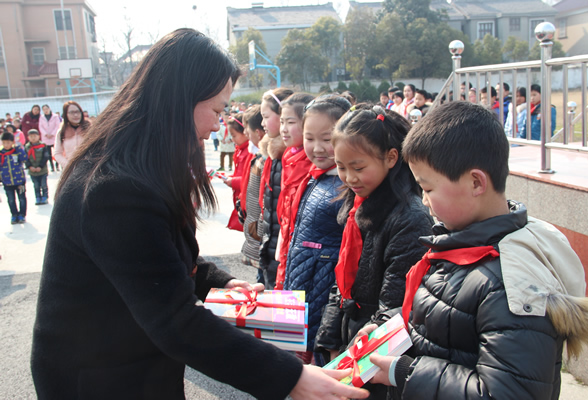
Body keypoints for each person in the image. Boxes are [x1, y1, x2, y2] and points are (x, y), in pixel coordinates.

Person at [30, 29, 368, 400]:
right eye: (218, 110)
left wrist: (218, 282)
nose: (217, 125)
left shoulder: (137, 167)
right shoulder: (114, 188)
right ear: (179, 100)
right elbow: (174, 320)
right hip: (98, 377)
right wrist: (292, 378)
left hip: (127, 361)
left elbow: (160, 258)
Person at [362, 101, 588, 399]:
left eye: (429, 189)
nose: (424, 201)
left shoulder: (510, 283)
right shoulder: (463, 245)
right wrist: (391, 329)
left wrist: (407, 371)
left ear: (476, 182)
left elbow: (509, 393)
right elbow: (451, 320)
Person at [315, 105, 433, 398]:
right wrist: (330, 340)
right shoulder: (356, 203)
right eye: (341, 167)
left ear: (391, 158)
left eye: (358, 168)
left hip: (377, 355)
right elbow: (341, 283)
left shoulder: (410, 218)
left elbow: (393, 308)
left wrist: (349, 357)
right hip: (350, 337)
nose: (348, 178)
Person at [283, 95, 351, 366]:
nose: (317, 148)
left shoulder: (349, 186)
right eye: (310, 138)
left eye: (327, 138)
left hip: (324, 297)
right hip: (302, 286)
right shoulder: (316, 178)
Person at [274, 92, 315, 290]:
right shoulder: (288, 156)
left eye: (290, 122)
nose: (283, 129)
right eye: (282, 122)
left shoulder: (316, 165)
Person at [259, 87, 293, 289]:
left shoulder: (290, 157)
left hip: (281, 252)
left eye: (266, 117)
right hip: (271, 247)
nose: (262, 123)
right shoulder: (272, 153)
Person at [239, 105, 266, 272]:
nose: (245, 134)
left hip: (260, 235)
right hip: (254, 229)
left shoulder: (266, 161)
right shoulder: (258, 157)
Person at [223, 112, 250, 232]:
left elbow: (251, 179)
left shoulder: (251, 151)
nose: (232, 139)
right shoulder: (240, 149)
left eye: (234, 135)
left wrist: (233, 181)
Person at [1, 132, 28, 223]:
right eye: (4, 143)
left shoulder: (17, 151)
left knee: (22, 198)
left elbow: (24, 158)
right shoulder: (1, 154)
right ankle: (14, 215)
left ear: (12, 142)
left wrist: (18, 148)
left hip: (19, 181)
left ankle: (22, 215)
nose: (6, 145)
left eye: (8, 143)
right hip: (7, 182)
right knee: (11, 200)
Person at [54, 101, 90, 168]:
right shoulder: (61, 132)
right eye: (71, 112)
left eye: (77, 112)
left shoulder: (90, 128)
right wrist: (68, 165)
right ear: (65, 114)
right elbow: (57, 154)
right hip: (70, 171)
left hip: (88, 169)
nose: (76, 115)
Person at [24, 129, 50, 205]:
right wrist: (29, 166)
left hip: (42, 170)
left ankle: (45, 197)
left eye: (35, 136)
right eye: (31, 136)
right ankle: (38, 197)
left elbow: (45, 157)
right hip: (32, 171)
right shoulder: (27, 147)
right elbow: (25, 158)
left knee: (44, 184)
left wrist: (40, 166)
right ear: (28, 137)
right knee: (36, 185)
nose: (33, 138)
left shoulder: (43, 146)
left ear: (38, 136)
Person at [39, 104, 61, 172]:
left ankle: (57, 165)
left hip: (54, 136)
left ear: (49, 109)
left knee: (56, 151)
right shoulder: (41, 117)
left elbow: (57, 125)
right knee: (48, 153)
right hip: (46, 137)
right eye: (44, 109)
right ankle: (52, 167)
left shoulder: (55, 116)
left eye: (46, 109)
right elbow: (40, 127)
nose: (46, 110)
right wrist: (45, 134)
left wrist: (52, 133)